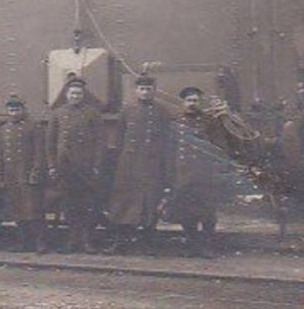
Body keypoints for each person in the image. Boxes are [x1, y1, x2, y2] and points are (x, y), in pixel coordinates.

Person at [107, 73, 173, 254]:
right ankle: (121, 241)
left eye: (149, 89)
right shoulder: (127, 110)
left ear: (154, 91)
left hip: (152, 165)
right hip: (129, 165)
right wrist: (122, 161)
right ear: (136, 91)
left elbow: (167, 140)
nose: (145, 92)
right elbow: (120, 138)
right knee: (124, 203)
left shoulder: (162, 111)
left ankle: (148, 242)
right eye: (142, 89)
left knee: (150, 202)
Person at [46, 75, 105, 253]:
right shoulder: (57, 114)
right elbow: (50, 143)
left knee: (87, 205)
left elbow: (100, 142)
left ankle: (87, 240)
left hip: (86, 167)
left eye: (79, 93)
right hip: (65, 167)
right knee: (69, 206)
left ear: (83, 95)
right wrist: (52, 166)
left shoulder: (92, 113)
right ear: (66, 94)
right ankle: (72, 239)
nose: (75, 96)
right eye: (72, 93)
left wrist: (96, 165)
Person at [170, 87, 226, 257]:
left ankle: (207, 246)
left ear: (200, 102)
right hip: (183, 172)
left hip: (205, 173)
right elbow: (169, 147)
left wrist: (216, 169)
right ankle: (192, 245)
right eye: (189, 100)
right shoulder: (175, 121)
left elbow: (219, 146)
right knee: (187, 212)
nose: (192, 104)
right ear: (183, 102)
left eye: (195, 101)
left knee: (208, 212)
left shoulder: (209, 121)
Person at [0, 94, 46, 252]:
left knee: (34, 211)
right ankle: (24, 242)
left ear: (23, 110)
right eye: (11, 110)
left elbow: (39, 153)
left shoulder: (33, 127)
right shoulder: (4, 130)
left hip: (27, 175)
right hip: (11, 176)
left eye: (17, 109)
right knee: (17, 211)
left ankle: (40, 242)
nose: (14, 113)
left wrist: (35, 172)